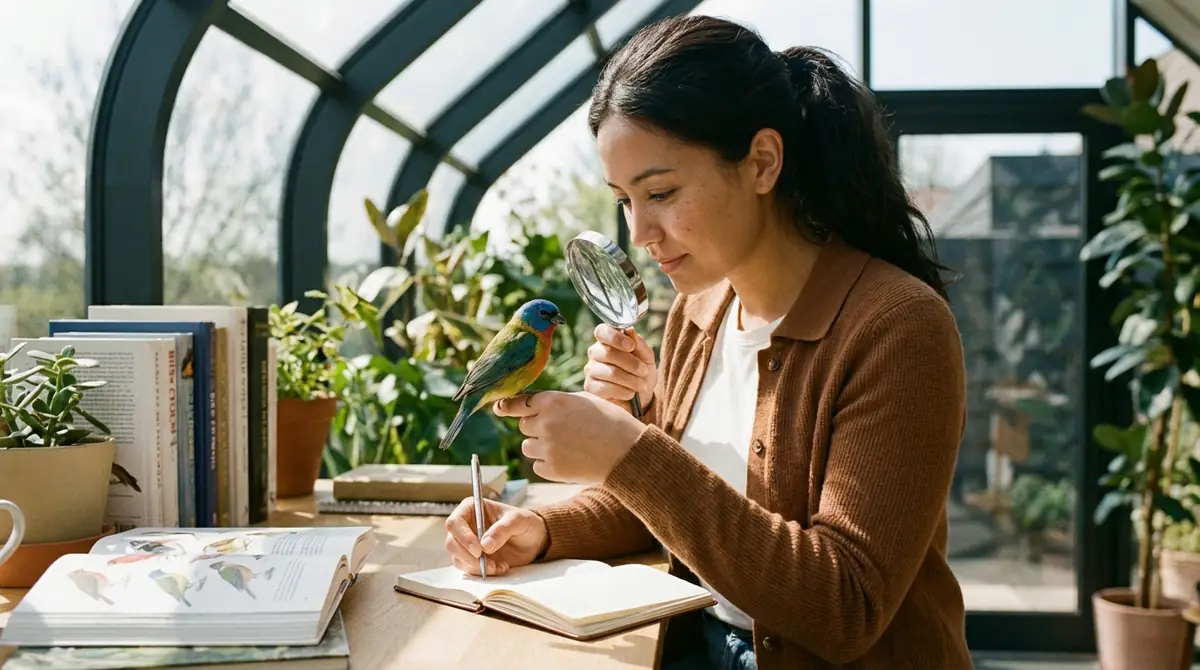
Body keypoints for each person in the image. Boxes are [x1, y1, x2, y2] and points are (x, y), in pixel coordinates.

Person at [443, 13, 972, 670]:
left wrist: (628, 451)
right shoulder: (699, 309)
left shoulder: (896, 328)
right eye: (625, 201)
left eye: (660, 192)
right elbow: (672, 511)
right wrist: (544, 529)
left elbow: (845, 605)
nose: (640, 233)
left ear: (762, 163)